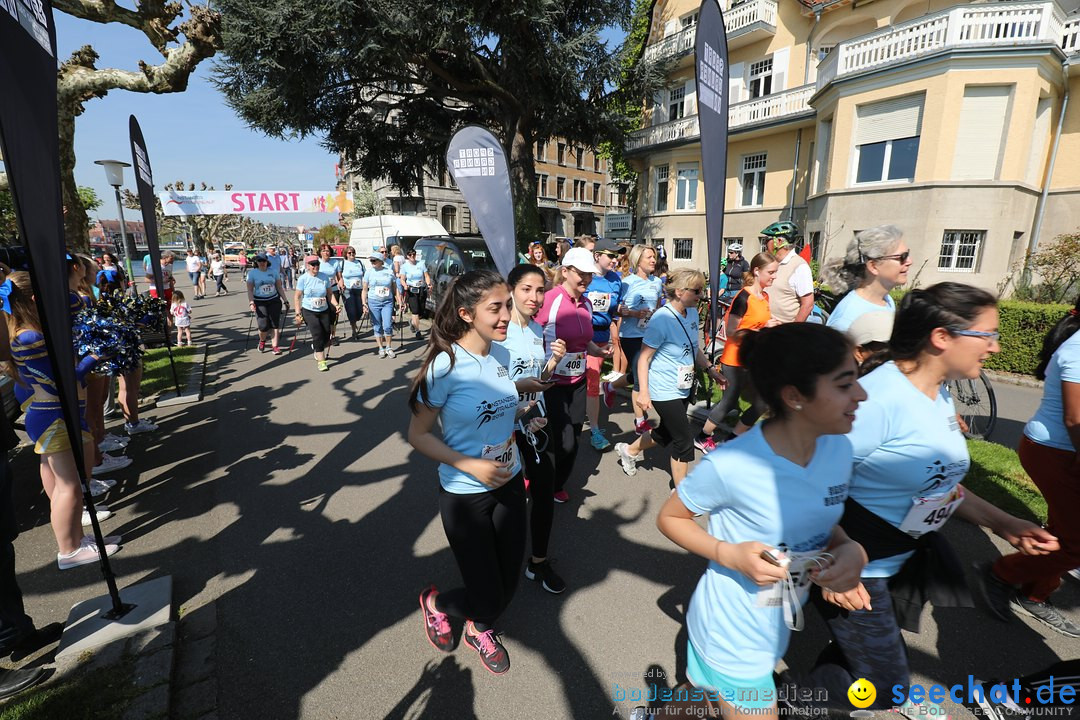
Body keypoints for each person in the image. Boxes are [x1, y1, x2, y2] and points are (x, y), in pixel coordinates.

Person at [801, 283, 1058, 710]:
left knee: (860, 658)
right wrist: (830, 561)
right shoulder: (879, 400)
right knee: (885, 686)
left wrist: (1005, 523)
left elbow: (939, 483)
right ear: (941, 337)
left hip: (901, 557)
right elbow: (806, 481)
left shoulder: (937, 393)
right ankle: (760, 704)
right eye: (987, 335)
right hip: (857, 566)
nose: (995, 347)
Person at [654, 323, 869, 720]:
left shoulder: (839, 449)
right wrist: (728, 554)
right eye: (844, 385)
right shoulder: (733, 464)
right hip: (732, 631)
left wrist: (848, 550)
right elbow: (669, 517)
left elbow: (821, 522)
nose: (862, 395)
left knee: (698, 695)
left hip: (776, 623)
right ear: (794, 396)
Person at [408, 270, 527, 675]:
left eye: (508, 305)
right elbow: (418, 434)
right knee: (489, 595)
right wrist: (470, 463)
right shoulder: (445, 366)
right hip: (464, 493)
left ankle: (479, 628)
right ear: (465, 313)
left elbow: (491, 412)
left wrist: (525, 401)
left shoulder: (503, 355)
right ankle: (436, 603)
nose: (506, 316)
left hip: (510, 482)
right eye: (495, 308)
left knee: (509, 584)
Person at [2, 272, 120, 569]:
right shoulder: (30, 337)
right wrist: (92, 359)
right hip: (56, 415)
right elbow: (59, 383)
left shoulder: (27, 332)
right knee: (70, 486)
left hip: (53, 415)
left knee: (63, 484)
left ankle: (77, 539)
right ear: (34, 300)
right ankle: (68, 550)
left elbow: (73, 305)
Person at [978, 297, 1080, 636]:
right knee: (1075, 543)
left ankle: (1035, 594)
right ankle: (1003, 572)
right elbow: (1074, 418)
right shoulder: (1078, 349)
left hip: (1063, 451)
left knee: (1065, 534)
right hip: (1056, 451)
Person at [614, 269, 725, 486]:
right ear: (680, 291)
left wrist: (710, 368)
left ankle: (629, 450)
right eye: (696, 290)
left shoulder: (692, 313)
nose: (700, 295)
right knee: (683, 439)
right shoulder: (661, 319)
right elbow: (644, 359)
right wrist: (644, 392)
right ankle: (680, 493)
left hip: (683, 385)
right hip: (663, 388)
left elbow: (694, 348)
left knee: (665, 432)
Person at [498, 264, 568, 594]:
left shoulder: (538, 331)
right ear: (511, 289)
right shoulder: (497, 333)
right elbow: (487, 385)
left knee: (543, 489)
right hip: (501, 426)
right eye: (527, 289)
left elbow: (538, 379)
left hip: (535, 420)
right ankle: (495, 562)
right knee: (502, 499)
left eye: (540, 290)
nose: (535, 297)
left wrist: (553, 362)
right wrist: (516, 393)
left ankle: (537, 562)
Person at [536, 247, 612, 504]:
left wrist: (600, 352)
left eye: (589, 275)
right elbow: (530, 335)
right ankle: (537, 475)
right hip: (550, 383)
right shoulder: (550, 299)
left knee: (573, 437)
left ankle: (556, 483)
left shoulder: (587, 304)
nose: (586, 280)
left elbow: (586, 342)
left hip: (578, 380)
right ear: (565, 271)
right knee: (554, 437)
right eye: (581, 274)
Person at [695, 252, 780, 453]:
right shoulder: (743, 296)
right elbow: (732, 331)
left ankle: (732, 441)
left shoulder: (764, 296)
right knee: (730, 401)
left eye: (776, 272)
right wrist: (762, 328)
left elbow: (757, 321)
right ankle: (702, 437)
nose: (774, 276)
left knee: (762, 402)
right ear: (757, 271)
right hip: (735, 359)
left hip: (753, 358)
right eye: (771, 272)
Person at [604, 244, 663, 435]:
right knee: (640, 379)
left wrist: (653, 315)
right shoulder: (626, 282)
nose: (653, 260)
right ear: (638, 260)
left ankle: (610, 386)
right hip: (630, 335)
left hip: (650, 335)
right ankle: (640, 422)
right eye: (649, 257)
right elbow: (616, 308)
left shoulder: (657, 282)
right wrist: (634, 313)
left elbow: (656, 305)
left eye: (654, 257)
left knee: (641, 373)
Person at [823, 225, 911, 333]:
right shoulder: (847, 318)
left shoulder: (886, 300)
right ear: (873, 266)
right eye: (902, 257)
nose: (909, 261)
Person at [583, 238, 627, 452]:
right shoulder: (586, 276)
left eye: (617, 256)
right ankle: (594, 430)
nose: (615, 260)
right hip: (581, 337)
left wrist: (622, 310)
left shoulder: (615, 280)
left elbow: (613, 308)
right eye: (611, 255)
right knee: (588, 382)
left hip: (601, 337)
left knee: (591, 382)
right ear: (597, 255)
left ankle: (592, 427)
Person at [761, 222, 814, 323]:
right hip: (765, 327)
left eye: (767, 240)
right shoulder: (772, 263)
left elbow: (807, 305)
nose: (765, 244)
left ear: (779, 241)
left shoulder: (799, 266)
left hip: (782, 331)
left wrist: (792, 332)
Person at [294, 256, 339, 372]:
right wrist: (298, 314)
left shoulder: (324, 277)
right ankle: (322, 362)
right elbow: (297, 297)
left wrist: (336, 305)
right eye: (313, 265)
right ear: (308, 266)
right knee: (317, 334)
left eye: (317, 264)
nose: (315, 267)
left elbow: (329, 294)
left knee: (326, 334)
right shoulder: (303, 279)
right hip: (309, 310)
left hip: (323, 309)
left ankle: (316, 346)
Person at [247, 253, 286, 354]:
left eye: (264, 261)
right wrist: (251, 302)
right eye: (260, 261)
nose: (262, 263)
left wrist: (285, 300)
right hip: (259, 301)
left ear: (267, 261)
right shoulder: (252, 273)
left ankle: (275, 346)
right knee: (263, 325)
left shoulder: (273, 272)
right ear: (257, 262)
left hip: (274, 300)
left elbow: (279, 287)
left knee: (275, 324)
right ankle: (262, 341)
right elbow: (250, 290)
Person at [363, 252, 399, 358]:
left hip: (387, 301)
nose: (372, 262)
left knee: (387, 325)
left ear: (380, 261)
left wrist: (400, 301)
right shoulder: (368, 272)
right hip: (373, 301)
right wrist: (364, 303)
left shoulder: (389, 271)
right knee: (377, 326)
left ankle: (389, 347)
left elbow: (395, 288)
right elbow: (364, 290)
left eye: (374, 260)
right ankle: (380, 348)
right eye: (371, 261)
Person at [399, 249, 432, 340]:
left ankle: (412, 322)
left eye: (414, 254)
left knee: (421, 312)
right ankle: (418, 331)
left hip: (421, 289)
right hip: (411, 290)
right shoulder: (404, 266)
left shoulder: (421, 264)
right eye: (411, 255)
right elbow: (402, 279)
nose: (413, 256)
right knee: (415, 311)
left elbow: (426, 276)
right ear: (407, 256)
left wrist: (429, 285)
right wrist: (405, 285)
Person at [317, 244, 344, 345]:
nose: (326, 253)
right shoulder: (317, 262)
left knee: (334, 313)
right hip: (320, 291)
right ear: (320, 252)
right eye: (323, 251)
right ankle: (323, 334)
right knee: (323, 312)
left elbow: (339, 277)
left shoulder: (335, 262)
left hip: (333, 289)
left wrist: (341, 283)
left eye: (327, 251)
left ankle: (332, 336)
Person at [340, 247, 367, 340]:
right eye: (349, 253)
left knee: (359, 310)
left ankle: (355, 322)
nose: (351, 254)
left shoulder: (359, 263)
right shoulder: (343, 263)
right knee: (351, 310)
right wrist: (341, 284)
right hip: (348, 289)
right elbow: (339, 276)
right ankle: (354, 330)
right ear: (346, 254)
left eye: (353, 252)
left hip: (359, 289)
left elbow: (365, 274)